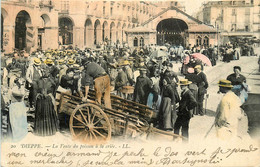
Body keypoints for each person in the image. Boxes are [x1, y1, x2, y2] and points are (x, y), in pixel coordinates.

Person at [34, 70, 59, 136]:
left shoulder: (50, 81)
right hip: (42, 100)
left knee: (46, 114)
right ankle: (44, 131)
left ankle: (45, 131)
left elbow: (53, 90)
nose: (45, 73)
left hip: (46, 99)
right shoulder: (40, 81)